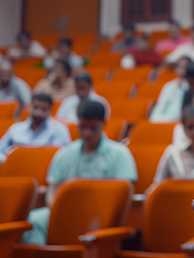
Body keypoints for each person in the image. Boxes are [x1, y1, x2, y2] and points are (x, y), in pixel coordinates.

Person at [23, 100, 137, 245]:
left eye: (93, 128)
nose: (87, 133)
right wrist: (58, 209)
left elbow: (125, 194)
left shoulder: (120, 153)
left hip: (102, 214)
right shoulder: (66, 153)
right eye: (82, 127)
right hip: (67, 212)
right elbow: (53, 189)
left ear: (104, 125)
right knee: (36, 218)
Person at [0, 94, 72, 165]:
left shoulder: (59, 130)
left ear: (50, 110)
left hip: (42, 174)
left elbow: (61, 159)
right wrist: (10, 161)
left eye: (44, 109)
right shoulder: (16, 129)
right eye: (35, 107)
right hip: (13, 172)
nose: (38, 113)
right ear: (29, 107)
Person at [149, 57, 191, 123]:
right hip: (164, 120)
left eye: (185, 67)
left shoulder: (193, 86)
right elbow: (160, 106)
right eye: (179, 66)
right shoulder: (169, 86)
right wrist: (154, 120)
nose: (182, 70)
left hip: (182, 122)